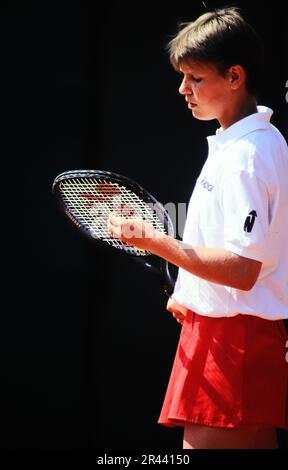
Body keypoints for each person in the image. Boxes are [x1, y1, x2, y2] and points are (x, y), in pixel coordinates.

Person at [107, 7, 288, 449]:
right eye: (183, 77)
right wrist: (192, 294)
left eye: (195, 78)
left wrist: (153, 241)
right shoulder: (235, 145)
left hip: (235, 341)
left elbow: (243, 270)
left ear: (235, 77)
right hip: (222, 329)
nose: (183, 89)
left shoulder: (249, 154)